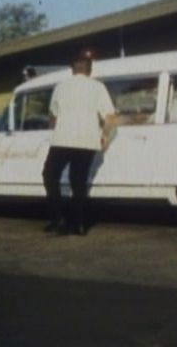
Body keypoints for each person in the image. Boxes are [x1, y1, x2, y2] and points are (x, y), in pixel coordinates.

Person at [42, 49, 116, 236]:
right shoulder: (98, 87)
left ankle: (59, 218)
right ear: (89, 69)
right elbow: (110, 117)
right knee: (79, 182)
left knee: (50, 176)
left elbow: (52, 118)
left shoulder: (60, 87)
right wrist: (105, 137)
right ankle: (79, 225)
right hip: (88, 141)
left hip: (63, 139)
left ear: (72, 68)